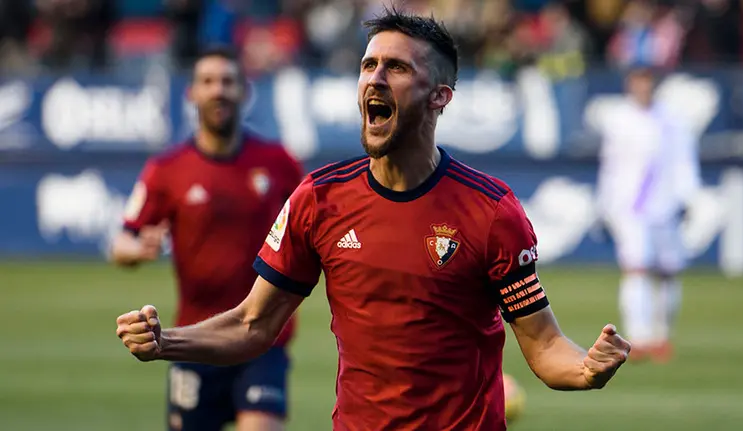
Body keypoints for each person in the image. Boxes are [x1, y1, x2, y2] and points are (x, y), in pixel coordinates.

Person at [116, 9, 631, 430]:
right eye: (368, 65)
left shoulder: (492, 212)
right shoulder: (319, 199)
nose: (375, 78)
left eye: (397, 68)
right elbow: (254, 325)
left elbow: (543, 347)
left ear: (440, 97)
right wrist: (167, 342)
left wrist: (585, 370)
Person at [110, 47, 303, 431]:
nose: (219, 90)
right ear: (192, 93)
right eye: (209, 82)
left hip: (263, 336)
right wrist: (138, 249)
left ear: (244, 92)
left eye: (228, 82)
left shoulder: (278, 162)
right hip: (194, 339)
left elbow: (313, 225)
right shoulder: (166, 170)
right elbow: (120, 242)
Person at [594, 66, 701, 363]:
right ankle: (638, 337)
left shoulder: (673, 120)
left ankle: (661, 335)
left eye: (648, 83)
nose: (643, 89)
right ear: (630, 85)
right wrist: (605, 203)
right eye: (638, 83)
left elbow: (684, 161)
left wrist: (688, 196)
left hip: (665, 205)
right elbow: (610, 165)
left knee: (667, 271)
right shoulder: (619, 120)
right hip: (630, 207)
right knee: (637, 267)